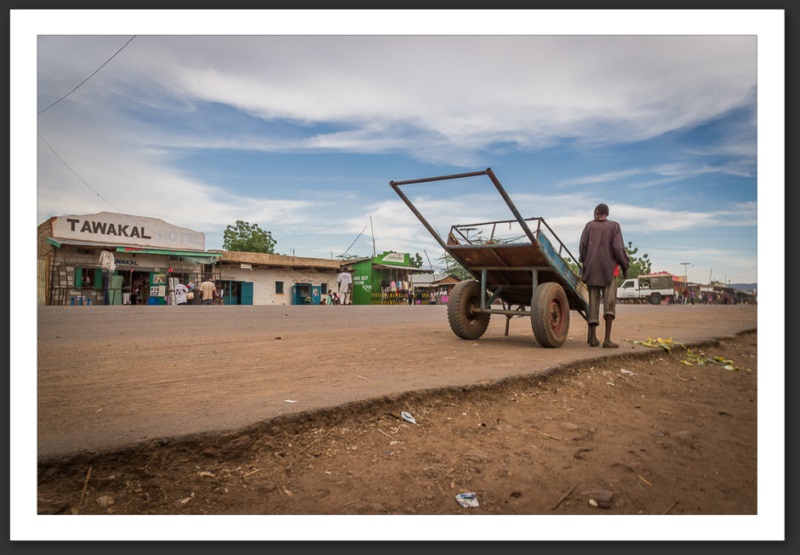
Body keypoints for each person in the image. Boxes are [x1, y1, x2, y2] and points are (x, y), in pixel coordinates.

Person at [579, 203, 630, 348]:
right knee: (609, 305)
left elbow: (582, 247)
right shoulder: (614, 226)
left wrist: (585, 262)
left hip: (591, 270)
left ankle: (593, 338)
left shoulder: (588, 226)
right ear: (606, 214)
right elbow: (618, 248)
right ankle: (607, 339)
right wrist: (625, 266)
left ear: (596, 213)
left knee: (593, 304)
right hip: (609, 271)